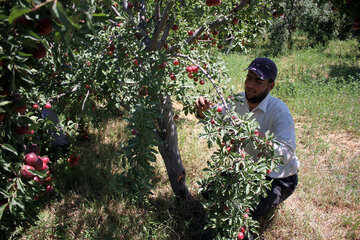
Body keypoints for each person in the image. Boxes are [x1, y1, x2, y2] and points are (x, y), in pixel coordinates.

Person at [195, 57, 300, 237]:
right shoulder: (237, 100)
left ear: (271, 86)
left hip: (278, 177)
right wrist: (204, 112)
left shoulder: (279, 111)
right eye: (249, 78)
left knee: (246, 211)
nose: (250, 85)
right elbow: (216, 117)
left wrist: (258, 138)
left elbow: (286, 153)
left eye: (258, 81)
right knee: (209, 192)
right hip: (247, 170)